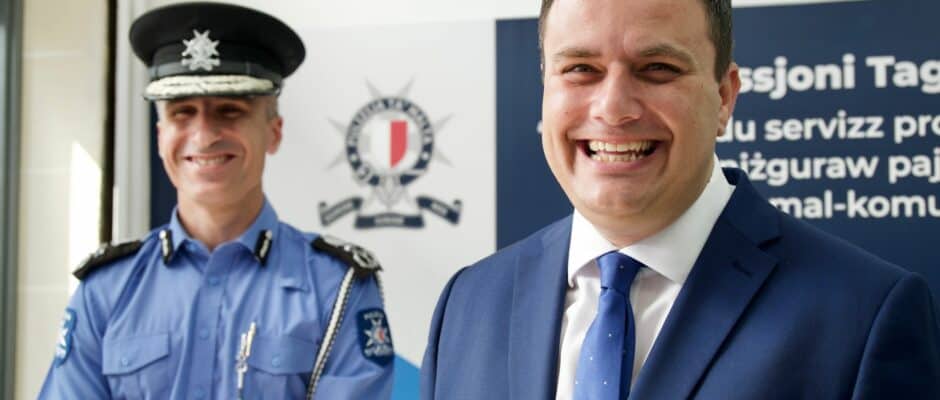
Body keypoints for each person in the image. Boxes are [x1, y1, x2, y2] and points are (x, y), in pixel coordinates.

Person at [420, 0, 940, 398]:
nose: (613, 108)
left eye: (658, 69)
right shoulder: (469, 302)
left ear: (725, 97)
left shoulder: (865, 316)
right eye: (580, 69)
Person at [39, 3, 394, 399]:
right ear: (160, 137)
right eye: (182, 112)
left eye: (230, 111)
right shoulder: (105, 290)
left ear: (274, 132)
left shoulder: (337, 287)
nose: (204, 136)